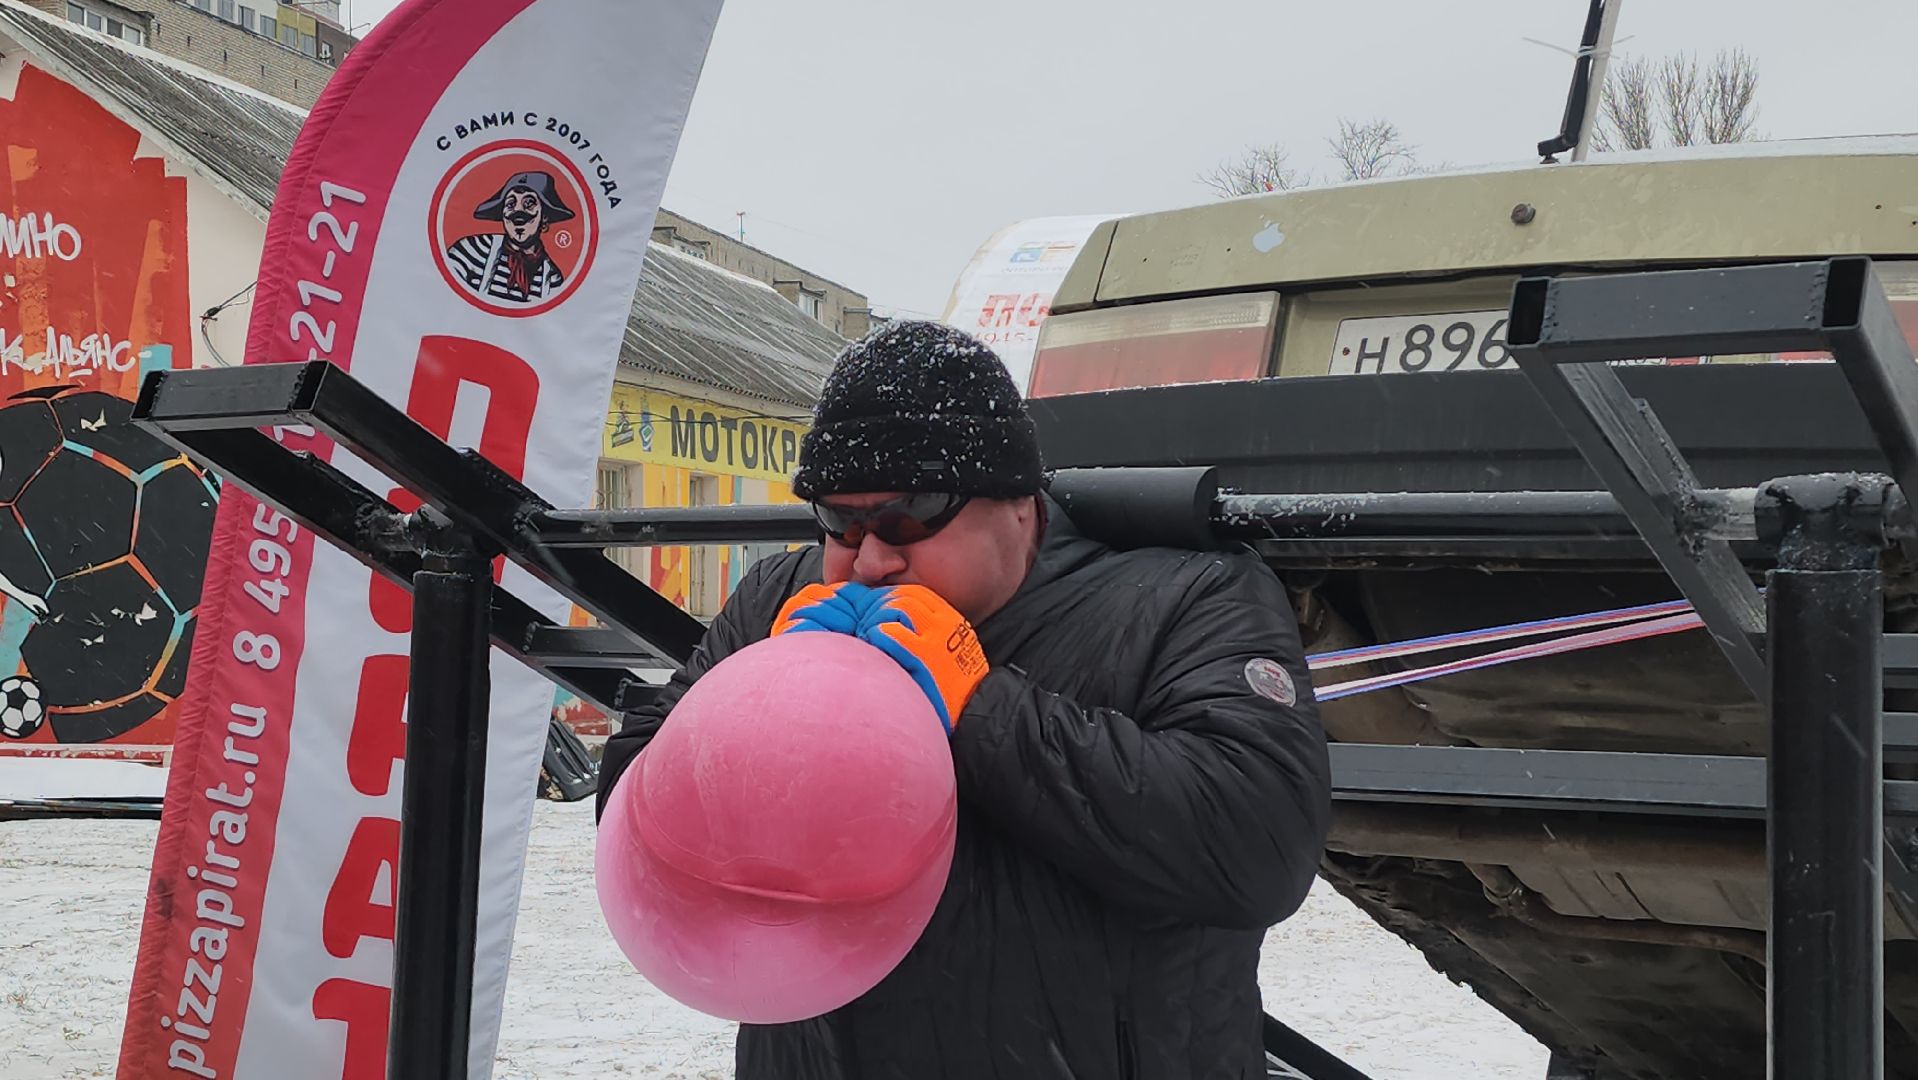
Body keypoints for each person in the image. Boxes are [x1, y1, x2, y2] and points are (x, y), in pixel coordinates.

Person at [596, 320, 1332, 1079]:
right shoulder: (779, 598)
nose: (872, 559)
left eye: (910, 515)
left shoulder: (1190, 598)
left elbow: (1257, 847)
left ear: (1017, 501)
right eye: (840, 522)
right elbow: (628, 808)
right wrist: (756, 710)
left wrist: (978, 705)